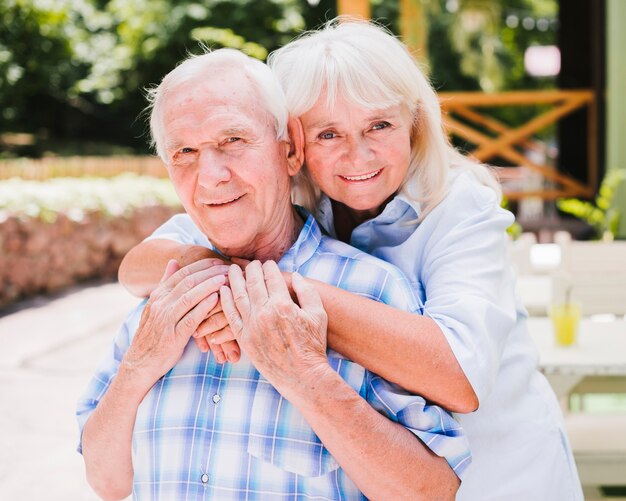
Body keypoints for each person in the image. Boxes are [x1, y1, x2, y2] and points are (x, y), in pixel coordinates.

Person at [118, 18, 583, 501]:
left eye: (379, 125)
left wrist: (272, 293)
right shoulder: (289, 191)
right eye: (328, 135)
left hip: (503, 475)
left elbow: (459, 379)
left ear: (414, 124)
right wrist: (212, 272)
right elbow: (138, 266)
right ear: (294, 144)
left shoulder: (459, 208)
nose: (357, 155)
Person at [77, 48, 470, 501]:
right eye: (184, 151)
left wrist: (304, 375)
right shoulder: (164, 288)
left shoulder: (374, 288)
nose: (210, 177)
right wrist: (141, 363)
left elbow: (431, 492)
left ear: (290, 151)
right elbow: (105, 481)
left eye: (233, 141)